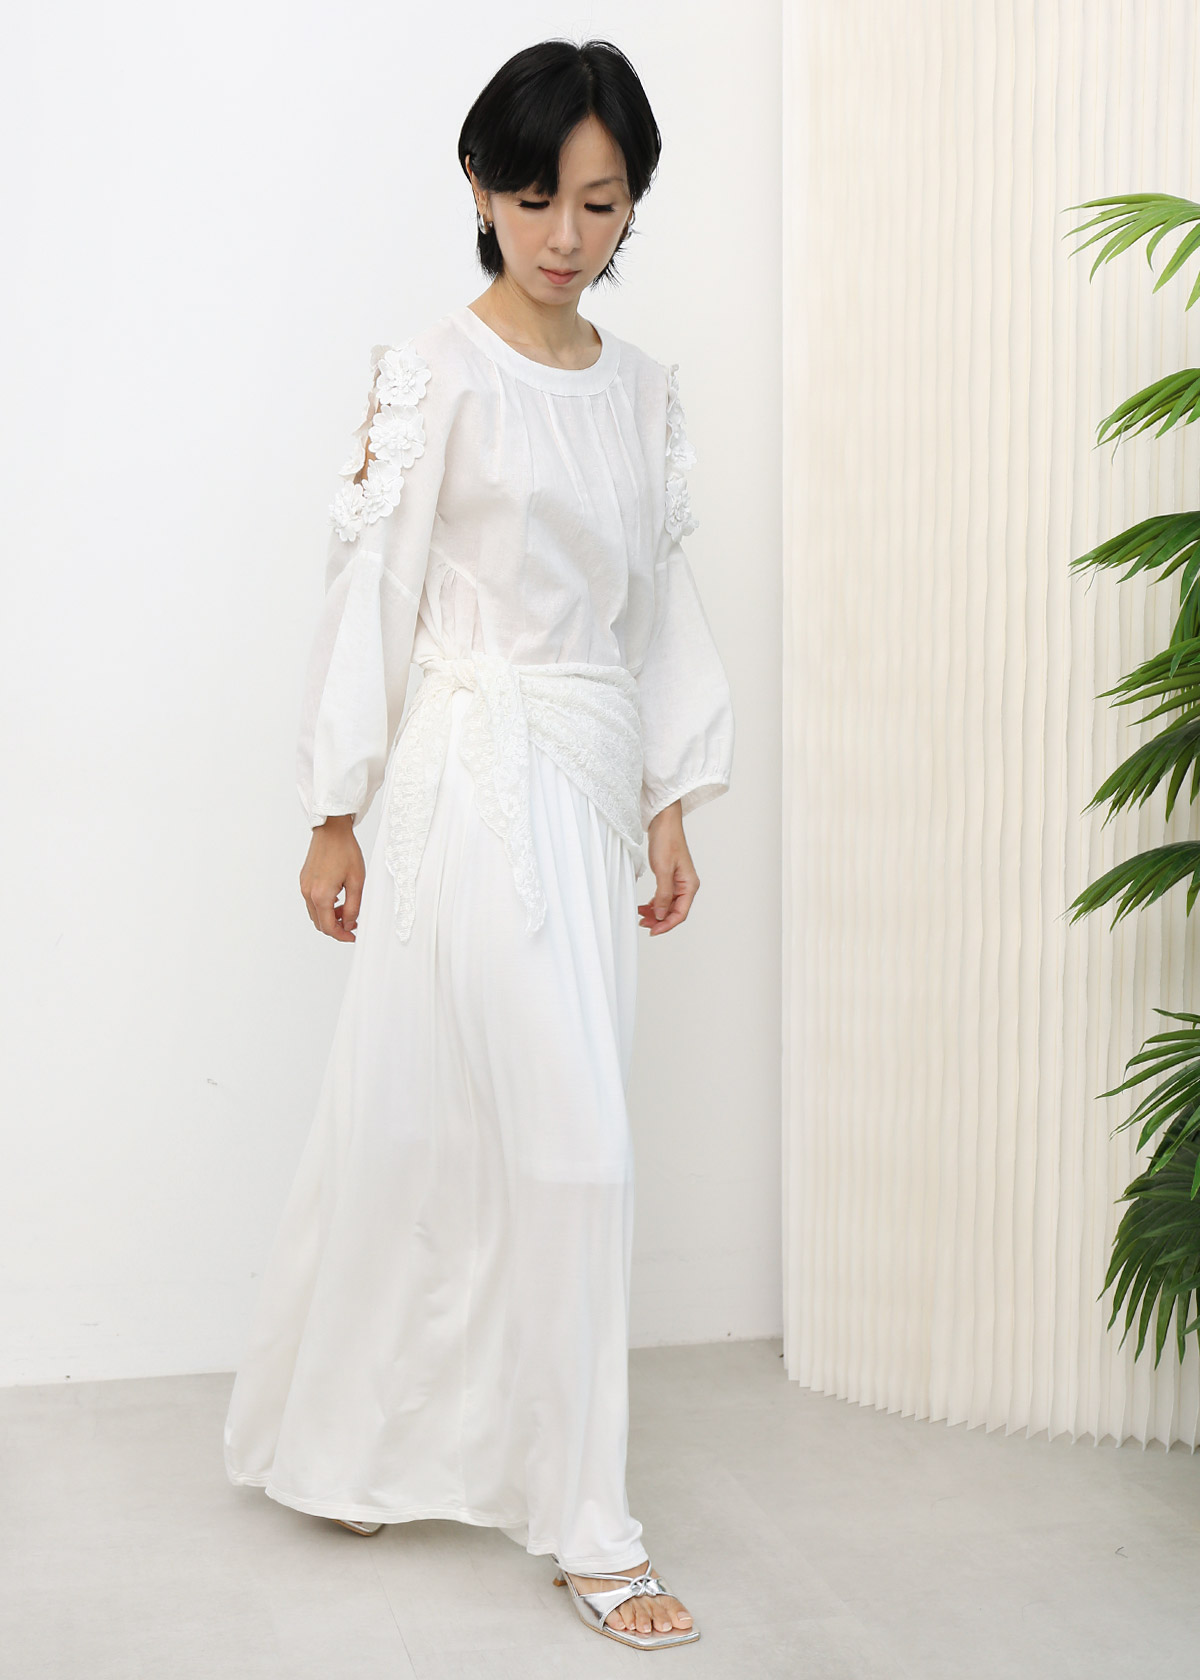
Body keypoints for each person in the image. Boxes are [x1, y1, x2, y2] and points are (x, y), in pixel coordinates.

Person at [221, 37, 734, 1653]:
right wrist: (335, 806)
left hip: (586, 788)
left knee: (465, 1125)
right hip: (465, 782)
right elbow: (373, 589)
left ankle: (362, 1441)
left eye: (601, 201)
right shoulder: (432, 371)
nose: (566, 235)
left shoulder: (643, 393)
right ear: (480, 189)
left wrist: (669, 797)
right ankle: (593, 1531)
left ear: (633, 202)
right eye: (534, 198)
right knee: (542, 1140)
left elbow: (657, 612)